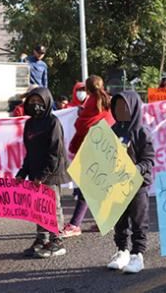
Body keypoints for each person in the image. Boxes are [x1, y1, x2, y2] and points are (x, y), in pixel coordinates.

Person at [106, 90, 155, 274]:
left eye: (124, 106)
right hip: (117, 185)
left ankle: (137, 255)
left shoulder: (142, 132)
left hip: (137, 185)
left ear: (133, 108)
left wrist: (136, 169)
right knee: (119, 221)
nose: (120, 110)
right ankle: (121, 251)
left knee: (138, 221)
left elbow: (149, 160)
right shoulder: (112, 130)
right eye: (117, 107)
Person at [17, 87, 70, 258]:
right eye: (32, 102)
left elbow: (54, 153)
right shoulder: (30, 124)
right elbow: (29, 151)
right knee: (38, 207)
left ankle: (57, 240)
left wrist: (43, 175)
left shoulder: (53, 122)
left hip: (50, 172)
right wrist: (22, 173)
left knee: (52, 206)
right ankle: (42, 239)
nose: (35, 105)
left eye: (39, 102)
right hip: (35, 172)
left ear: (47, 102)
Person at [62, 75, 115, 238]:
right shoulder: (108, 101)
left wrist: (80, 117)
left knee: (87, 188)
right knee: (98, 186)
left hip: (91, 150)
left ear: (88, 89)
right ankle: (106, 221)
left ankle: (75, 224)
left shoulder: (92, 103)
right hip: (106, 148)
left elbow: (83, 125)